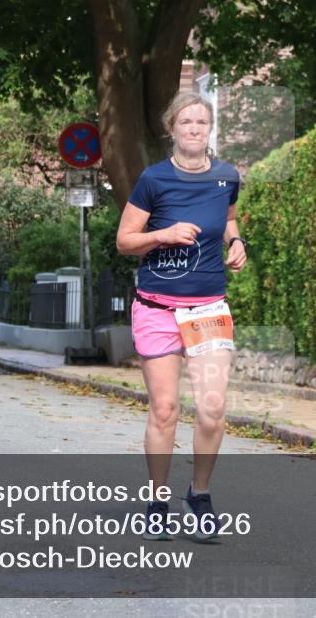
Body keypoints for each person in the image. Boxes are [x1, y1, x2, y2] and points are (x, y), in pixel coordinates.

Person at [116, 91, 247, 540]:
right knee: (165, 409)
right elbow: (124, 241)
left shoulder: (227, 177)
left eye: (202, 123)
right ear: (171, 128)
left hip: (208, 306)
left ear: (210, 129)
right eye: (187, 122)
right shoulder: (153, 180)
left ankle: (200, 493)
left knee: (212, 408)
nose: (194, 129)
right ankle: (157, 500)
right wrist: (164, 233)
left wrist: (236, 241)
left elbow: (227, 218)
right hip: (156, 307)